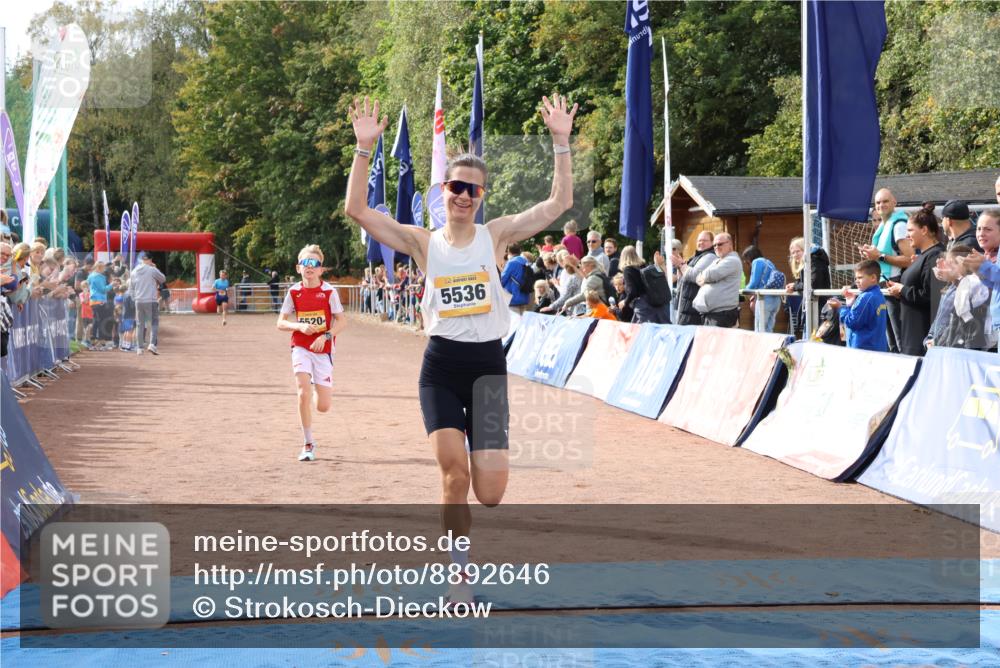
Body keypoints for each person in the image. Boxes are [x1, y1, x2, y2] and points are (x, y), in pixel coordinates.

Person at [345, 92, 576, 605]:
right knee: (454, 474)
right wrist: (363, 149)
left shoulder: (496, 236)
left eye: (473, 189)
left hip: (488, 369)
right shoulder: (423, 243)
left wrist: (560, 141)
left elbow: (558, 204)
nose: (464, 196)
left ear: (481, 195)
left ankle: (478, 494)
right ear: (442, 191)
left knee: (489, 494)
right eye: (456, 187)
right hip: (442, 369)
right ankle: (459, 575)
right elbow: (356, 209)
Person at [276, 244, 348, 462]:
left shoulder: (329, 292)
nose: (309, 267)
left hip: (323, 350)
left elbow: (341, 321)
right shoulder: (293, 292)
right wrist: (299, 326)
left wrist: (325, 336)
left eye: (314, 263)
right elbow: (280, 323)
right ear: (298, 268)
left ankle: (317, 384)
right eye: (305, 263)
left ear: (320, 269)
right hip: (300, 346)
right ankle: (308, 443)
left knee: (323, 406)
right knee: (302, 392)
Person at [884, 204, 945, 356]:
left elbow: (930, 297)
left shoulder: (935, 255)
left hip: (922, 336)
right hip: (912, 333)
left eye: (910, 230)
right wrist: (900, 292)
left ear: (924, 230)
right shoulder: (924, 256)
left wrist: (902, 289)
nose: (907, 235)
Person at [860, 188, 913, 352]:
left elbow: (910, 259)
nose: (881, 205)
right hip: (885, 285)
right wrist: (871, 254)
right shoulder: (884, 225)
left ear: (894, 202)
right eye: (878, 202)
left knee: (900, 340)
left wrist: (879, 256)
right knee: (891, 341)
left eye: (885, 201)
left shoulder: (899, 225)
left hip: (896, 286)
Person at [926, 245, 992, 351]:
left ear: (967, 266)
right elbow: (940, 319)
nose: (949, 266)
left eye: (955, 263)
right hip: (942, 344)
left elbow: (957, 324)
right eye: (948, 262)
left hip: (957, 346)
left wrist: (937, 342)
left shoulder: (969, 289)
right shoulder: (949, 289)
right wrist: (930, 338)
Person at [825, 260, 888, 352]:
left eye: (860, 277)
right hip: (876, 348)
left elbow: (852, 322)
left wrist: (840, 308)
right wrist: (850, 305)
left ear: (873, 278)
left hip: (863, 350)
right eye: (856, 278)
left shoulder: (866, 297)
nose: (856, 281)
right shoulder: (878, 295)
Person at [959, 209, 1000, 345]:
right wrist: (977, 270)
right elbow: (995, 285)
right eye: (979, 229)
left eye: (988, 229)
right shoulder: (986, 256)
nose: (981, 233)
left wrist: (983, 266)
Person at [694, 233, 742, 328]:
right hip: (712, 314)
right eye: (714, 245)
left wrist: (705, 277)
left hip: (722, 314)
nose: (716, 247)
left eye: (720, 244)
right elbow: (698, 277)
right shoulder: (717, 260)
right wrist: (704, 277)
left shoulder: (732, 260)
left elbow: (710, 274)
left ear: (730, 244)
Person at [672, 230, 716, 325]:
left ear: (712, 242)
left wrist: (680, 265)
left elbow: (695, 275)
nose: (701, 242)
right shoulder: (696, 257)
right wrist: (680, 267)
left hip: (695, 307)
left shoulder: (710, 256)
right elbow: (683, 279)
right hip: (687, 304)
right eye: (699, 240)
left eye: (704, 240)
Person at [741, 245, 783, 333]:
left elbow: (754, 282)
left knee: (760, 330)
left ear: (750, 256)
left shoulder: (757, 262)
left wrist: (742, 292)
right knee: (769, 330)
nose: (745, 262)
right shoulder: (769, 262)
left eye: (746, 259)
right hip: (776, 300)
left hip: (765, 300)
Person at [130, 253, 166, 354]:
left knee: (139, 324)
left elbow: (131, 288)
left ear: (142, 260)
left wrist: (135, 299)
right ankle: (152, 344)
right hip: (151, 300)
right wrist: (155, 268)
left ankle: (139, 348)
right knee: (154, 322)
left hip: (138, 300)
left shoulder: (134, 271)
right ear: (150, 260)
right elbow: (163, 279)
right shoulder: (152, 269)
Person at [499, 243, 532, 314]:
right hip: (525, 296)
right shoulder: (525, 262)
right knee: (523, 319)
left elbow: (502, 279)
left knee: (514, 320)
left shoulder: (511, 262)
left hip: (513, 298)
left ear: (509, 251)